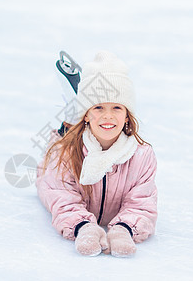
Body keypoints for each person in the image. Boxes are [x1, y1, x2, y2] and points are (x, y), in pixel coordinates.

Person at [35, 51, 157, 257]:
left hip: (89, 127)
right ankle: (72, 117)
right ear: (88, 115)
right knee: (61, 147)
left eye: (117, 107)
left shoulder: (142, 156)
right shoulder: (64, 153)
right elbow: (61, 196)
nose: (108, 115)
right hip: (66, 151)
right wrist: (83, 226)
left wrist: (124, 229)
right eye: (98, 107)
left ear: (127, 117)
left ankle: (82, 103)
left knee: (90, 129)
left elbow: (142, 203)